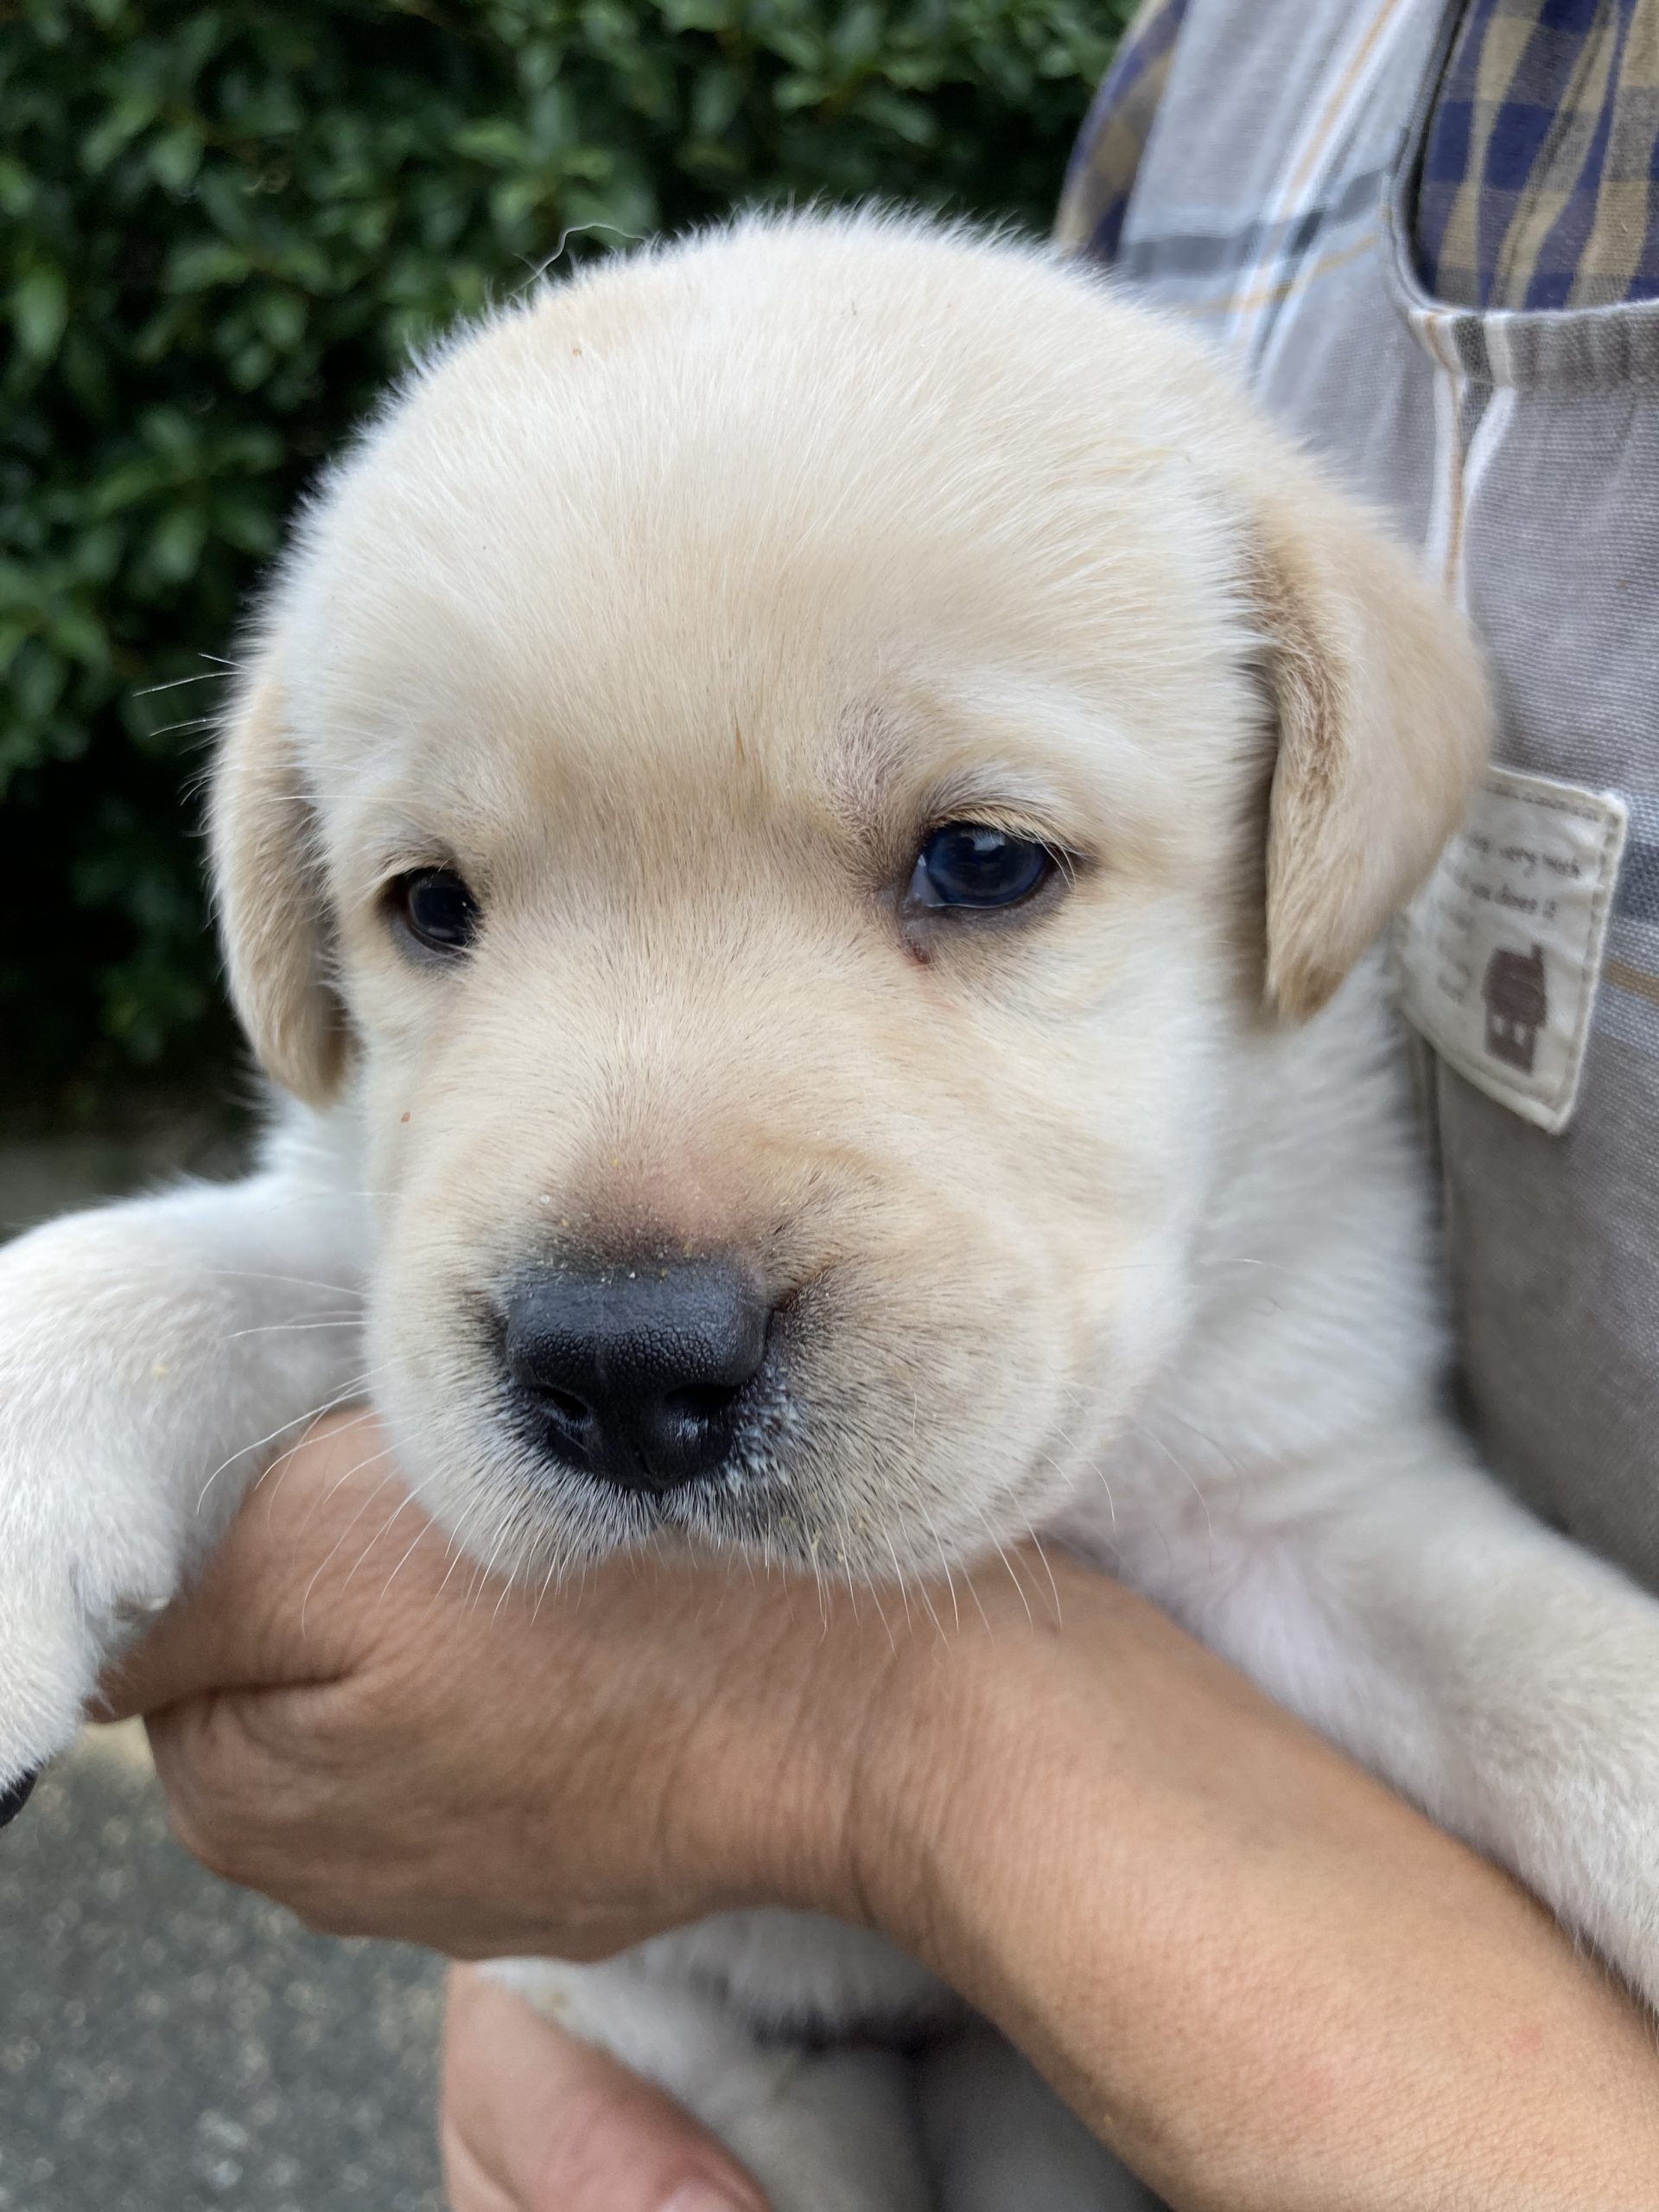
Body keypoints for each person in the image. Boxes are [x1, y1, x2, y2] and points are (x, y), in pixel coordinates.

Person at [104, 3, 1659, 2204]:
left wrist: (864, 1756)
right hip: (675, 2025)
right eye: (437, 898)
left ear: (1327, 803)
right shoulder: (1226, 57)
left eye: (978, 861)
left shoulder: (1280, 1183)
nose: (638, 1254)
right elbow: (252, 1274)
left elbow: (1396, 1597)